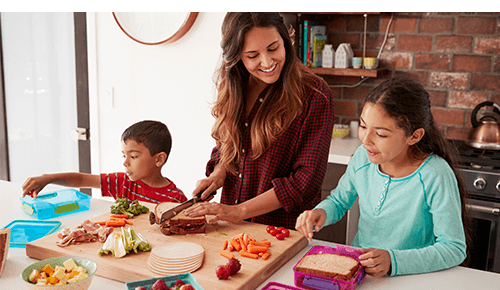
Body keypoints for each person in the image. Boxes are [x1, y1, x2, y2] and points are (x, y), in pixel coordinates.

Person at [295, 77, 470, 277]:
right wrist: (321, 212)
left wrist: (393, 261)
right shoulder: (363, 157)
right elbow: (338, 200)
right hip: (362, 273)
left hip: (412, 278)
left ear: (414, 136)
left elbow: (453, 248)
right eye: (363, 126)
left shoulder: (435, 174)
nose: (366, 140)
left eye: (381, 134)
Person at [184, 12, 335, 230]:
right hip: (231, 228)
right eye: (253, 55)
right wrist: (218, 174)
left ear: (285, 40)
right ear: (236, 56)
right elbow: (228, 146)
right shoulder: (234, 87)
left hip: (281, 232)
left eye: (273, 48)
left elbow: (305, 181)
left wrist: (240, 211)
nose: (267, 62)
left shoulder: (314, 94)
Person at [22, 120, 187, 204]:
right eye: (124, 156)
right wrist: (48, 178)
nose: (125, 163)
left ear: (159, 159)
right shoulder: (122, 182)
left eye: (133, 156)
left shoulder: (175, 199)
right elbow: (81, 179)